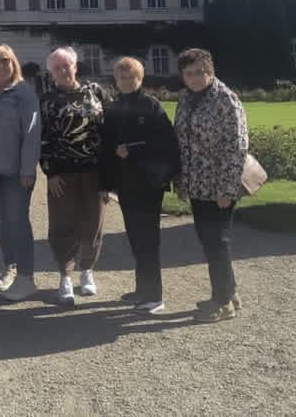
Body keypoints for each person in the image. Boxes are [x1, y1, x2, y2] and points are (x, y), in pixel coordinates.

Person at [173, 48, 248, 323]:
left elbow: (236, 146)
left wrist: (227, 189)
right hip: (197, 184)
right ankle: (229, 292)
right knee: (209, 241)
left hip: (218, 186)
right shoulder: (186, 99)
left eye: (199, 72)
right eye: (188, 73)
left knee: (217, 242)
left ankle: (223, 302)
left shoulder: (225, 99)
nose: (194, 78)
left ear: (210, 71)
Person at [101, 56, 180, 315]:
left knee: (147, 240)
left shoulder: (151, 105)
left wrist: (133, 151)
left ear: (140, 79)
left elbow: (167, 144)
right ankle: (142, 289)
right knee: (135, 237)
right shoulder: (113, 107)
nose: (125, 81)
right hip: (126, 184)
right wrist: (105, 183)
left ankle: (154, 296)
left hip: (148, 182)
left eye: (130, 77)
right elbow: (107, 147)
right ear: (116, 80)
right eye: (121, 77)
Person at [39, 46, 109, 306]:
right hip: (63, 173)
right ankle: (65, 275)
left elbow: (110, 129)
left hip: (94, 170)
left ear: (75, 66)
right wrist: (50, 172)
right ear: (52, 72)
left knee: (93, 221)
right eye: (57, 68)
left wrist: (110, 173)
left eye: (66, 66)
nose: (63, 71)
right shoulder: (47, 100)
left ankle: (87, 269)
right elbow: (42, 138)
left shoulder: (95, 92)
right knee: (62, 223)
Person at [0, 44, 41, 301]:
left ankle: (26, 277)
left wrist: (27, 170)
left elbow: (32, 134)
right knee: (0, 219)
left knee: (18, 221)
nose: (0, 66)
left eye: (5, 60)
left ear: (14, 63)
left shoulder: (23, 93)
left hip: (15, 170)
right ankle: (10, 268)